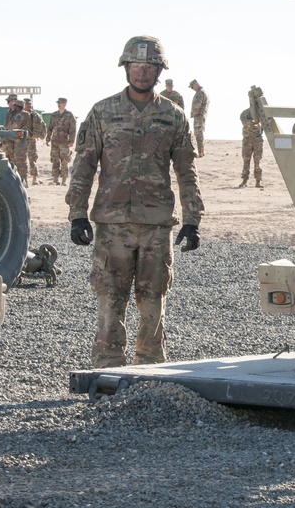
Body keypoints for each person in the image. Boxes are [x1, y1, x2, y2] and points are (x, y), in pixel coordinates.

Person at [66, 35, 204, 369]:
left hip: (156, 226)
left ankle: (150, 367)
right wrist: (77, 214)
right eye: (136, 66)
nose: (142, 72)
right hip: (112, 225)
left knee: (153, 300)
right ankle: (107, 367)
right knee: (111, 299)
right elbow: (83, 165)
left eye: (149, 66)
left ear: (160, 70)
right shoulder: (102, 112)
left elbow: (187, 171)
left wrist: (192, 220)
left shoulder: (174, 116)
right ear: (126, 68)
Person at [46, 97, 77, 185]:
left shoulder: (69, 115)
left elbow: (73, 129)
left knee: (64, 161)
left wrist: (71, 141)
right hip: (55, 141)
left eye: (61, 103)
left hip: (64, 142)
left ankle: (64, 179)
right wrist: (48, 138)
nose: (59, 104)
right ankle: (55, 179)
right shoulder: (54, 115)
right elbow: (50, 128)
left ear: (65, 104)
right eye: (58, 103)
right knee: (55, 160)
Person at [2, 93, 31, 186]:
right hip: (9, 140)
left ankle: (23, 180)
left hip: (19, 140)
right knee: (9, 160)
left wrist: (6, 129)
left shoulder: (22, 114)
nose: (9, 104)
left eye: (9, 102)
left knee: (20, 161)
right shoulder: (9, 113)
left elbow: (12, 126)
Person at [23, 98, 47, 185]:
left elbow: (42, 125)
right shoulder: (20, 114)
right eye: (27, 104)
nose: (29, 105)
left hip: (32, 138)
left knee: (33, 158)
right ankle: (24, 179)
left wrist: (43, 136)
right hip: (22, 139)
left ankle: (34, 178)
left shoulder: (35, 115)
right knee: (22, 159)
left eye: (30, 104)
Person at [238, 107, 264, 188]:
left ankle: (258, 181)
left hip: (257, 140)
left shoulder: (261, 113)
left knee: (257, 161)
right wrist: (254, 123)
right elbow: (245, 122)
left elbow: (265, 124)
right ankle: (244, 180)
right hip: (247, 140)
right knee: (246, 161)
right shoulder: (245, 113)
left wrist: (258, 124)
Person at [189, 79, 208, 157]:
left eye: (192, 87)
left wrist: (193, 113)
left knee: (198, 134)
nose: (192, 89)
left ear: (196, 85)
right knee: (200, 133)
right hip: (201, 115)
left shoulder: (200, 93)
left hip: (199, 116)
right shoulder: (203, 92)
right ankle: (201, 152)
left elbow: (197, 105)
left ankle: (200, 152)